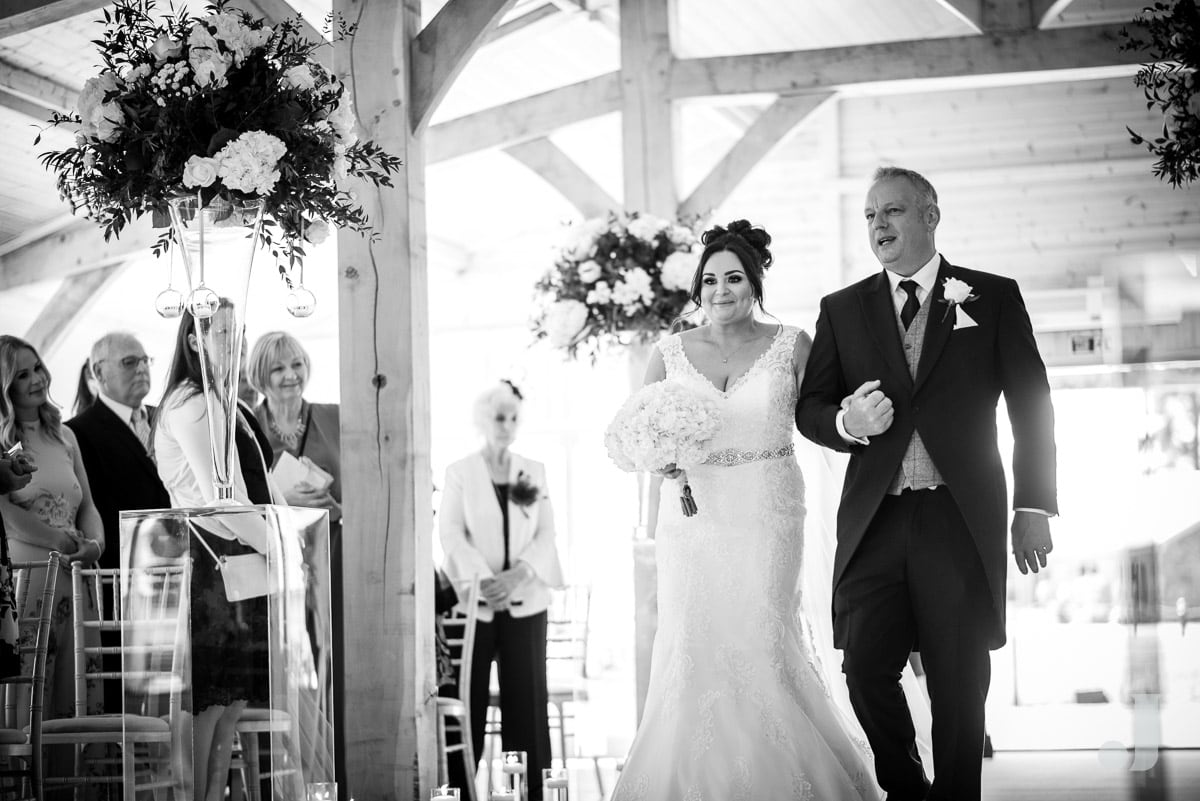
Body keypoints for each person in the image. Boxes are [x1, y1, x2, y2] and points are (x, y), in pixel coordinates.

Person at [796, 166, 1057, 801]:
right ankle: (910, 793)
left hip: (958, 518)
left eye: (893, 211)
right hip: (875, 519)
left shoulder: (991, 297)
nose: (879, 225)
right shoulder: (843, 308)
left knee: (959, 682)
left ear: (930, 217)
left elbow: (1031, 403)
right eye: (869, 216)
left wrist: (1033, 504)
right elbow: (811, 410)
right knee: (863, 670)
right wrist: (846, 422)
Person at [611, 221, 878, 800]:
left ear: (755, 283)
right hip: (692, 518)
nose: (720, 290)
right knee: (692, 642)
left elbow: (822, 415)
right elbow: (634, 428)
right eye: (709, 280)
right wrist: (660, 459)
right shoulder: (670, 351)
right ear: (697, 289)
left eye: (734, 278)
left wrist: (852, 417)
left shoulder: (792, 344)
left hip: (768, 509)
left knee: (762, 636)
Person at [154, 307, 278, 801]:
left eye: (239, 331)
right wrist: (280, 546)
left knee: (231, 706)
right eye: (225, 332)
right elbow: (221, 497)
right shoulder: (192, 402)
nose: (237, 341)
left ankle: (214, 794)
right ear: (194, 341)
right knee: (208, 705)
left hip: (235, 555)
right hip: (208, 558)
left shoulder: (219, 400)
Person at [439, 381, 565, 801]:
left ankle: (528, 792)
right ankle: (459, 791)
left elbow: (546, 535)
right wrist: (483, 581)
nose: (507, 425)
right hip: (476, 604)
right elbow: (452, 534)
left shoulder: (534, 470)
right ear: (482, 420)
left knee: (527, 704)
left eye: (513, 418)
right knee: (467, 702)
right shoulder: (460, 472)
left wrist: (520, 575)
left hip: (527, 603)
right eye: (499, 417)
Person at [0, 335, 105, 772]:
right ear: (5, 387)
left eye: (37, 368)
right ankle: (32, 783)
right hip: (31, 576)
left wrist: (94, 544)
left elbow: (88, 504)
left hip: (77, 576)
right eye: (21, 374)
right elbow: (3, 509)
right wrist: (57, 542)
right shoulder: (2, 440)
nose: (36, 380)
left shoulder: (66, 436)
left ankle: (81, 784)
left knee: (80, 689)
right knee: (34, 692)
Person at [246, 330, 344, 789]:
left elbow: (364, 481)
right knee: (279, 664)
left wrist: (333, 504)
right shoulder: (246, 424)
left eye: (296, 365)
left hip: (330, 555)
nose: (290, 376)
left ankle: (336, 766)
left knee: (332, 656)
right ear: (260, 377)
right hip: (272, 560)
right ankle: (280, 780)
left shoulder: (335, 418)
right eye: (278, 368)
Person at [67, 332, 172, 716]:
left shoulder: (167, 417)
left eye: (146, 360)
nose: (142, 368)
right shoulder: (81, 431)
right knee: (122, 700)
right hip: (121, 580)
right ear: (99, 372)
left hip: (174, 578)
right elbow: (94, 508)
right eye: (130, 362)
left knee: (172, 695)